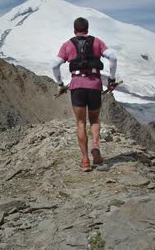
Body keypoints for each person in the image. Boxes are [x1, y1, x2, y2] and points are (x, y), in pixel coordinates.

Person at [51, 17, 118, 172]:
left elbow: (55, 64)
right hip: (94, 85)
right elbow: (113, 57)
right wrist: (112, 80)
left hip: (77, 86)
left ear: (74, 30)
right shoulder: (98, 42)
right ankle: (95, 145)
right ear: (87, 28)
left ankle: (85, 161)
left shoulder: (67, 45)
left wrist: (60, 85)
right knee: (94, 119)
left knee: (80, 123)